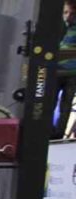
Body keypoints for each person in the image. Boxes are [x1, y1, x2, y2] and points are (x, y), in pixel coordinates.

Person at [54, 0, 76, 139]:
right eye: (66, 12)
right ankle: (49, 131)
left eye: (72, 13)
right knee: (49, 103)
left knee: (65, 106)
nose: (68, 16)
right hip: (57, 70)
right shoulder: (62, 28)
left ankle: (58, 135)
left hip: (72, 73)